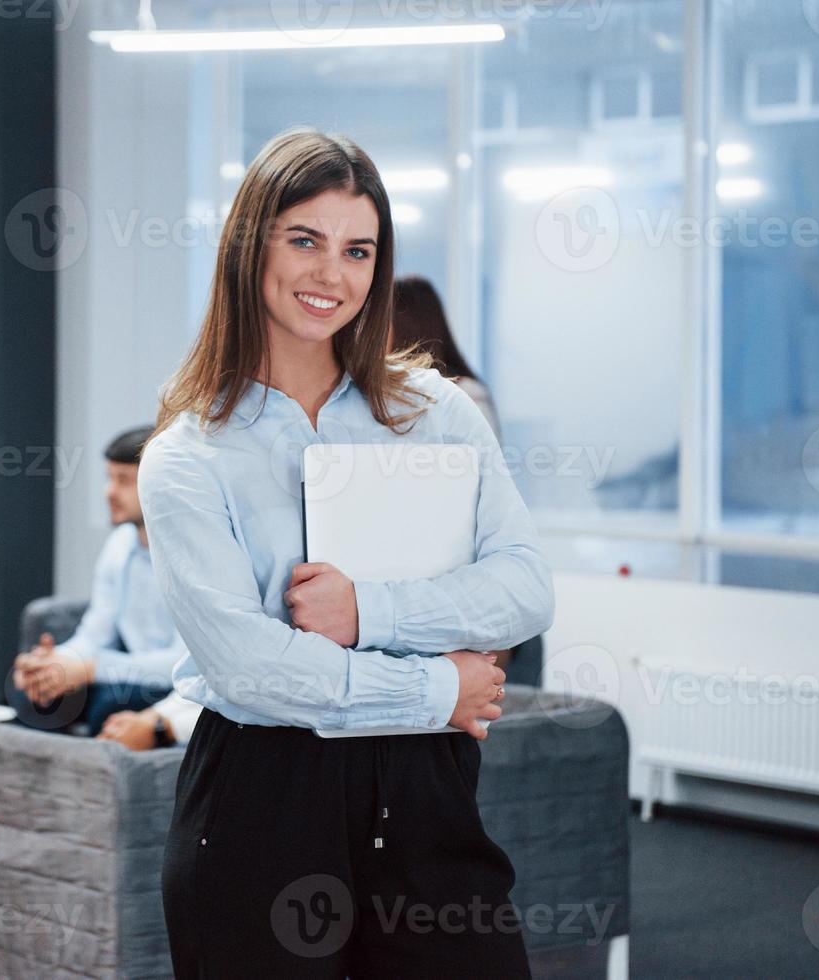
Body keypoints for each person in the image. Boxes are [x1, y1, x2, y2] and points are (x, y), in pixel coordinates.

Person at [139, 129, 554, 977]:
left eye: (357, 250)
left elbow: (524, 587)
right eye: (305, 241)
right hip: (261, 800)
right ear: (250, 246)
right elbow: (251, 671)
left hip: (426, 791)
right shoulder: (187, 456)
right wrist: (437, 685)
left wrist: (370, 610)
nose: (332, 275)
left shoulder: (433, 409)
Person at [11, 425, 189, 734]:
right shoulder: (120, 544)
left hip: (172, 687)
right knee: (31, 694)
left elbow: (181, 665)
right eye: (109, 478)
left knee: (109, 703)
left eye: (123, 481)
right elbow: (94, 635)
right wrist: (53, 663)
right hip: (121, 671)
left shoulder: (189, 553)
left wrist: (90, 669)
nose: (109, 492)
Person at [391, 275, 501, 438]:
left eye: (382, 323)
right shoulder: (389, 395)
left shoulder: (466, 395)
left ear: (407, 327)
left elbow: (483, 460)